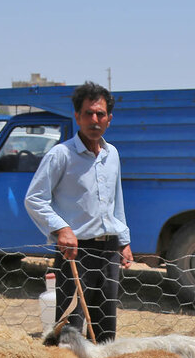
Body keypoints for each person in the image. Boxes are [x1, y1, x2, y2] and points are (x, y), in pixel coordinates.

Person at [25, 81, 132, 343]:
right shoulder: (61, 155)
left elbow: (116, 201)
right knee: (71, 326)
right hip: (76, 253)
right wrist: (61, 228)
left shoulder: (112, 154)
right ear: (77, 117)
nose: (94, 120)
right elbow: (34, 198)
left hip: (108, 250)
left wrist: (124, 240)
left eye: (100, 114)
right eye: (88, 114)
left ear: (109, 119)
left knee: (106, 325)